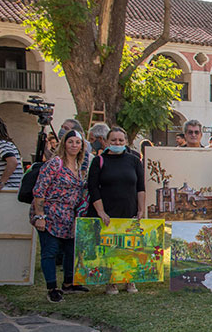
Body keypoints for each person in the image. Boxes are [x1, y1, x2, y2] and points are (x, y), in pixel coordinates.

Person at [86, 127, 146, 294]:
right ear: (107, 142)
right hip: (108, 212)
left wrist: (141, 209)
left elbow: (140, 187)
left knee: (129, 246)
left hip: (129, 210)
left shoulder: (134, 161)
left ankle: (129, 279)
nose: (117, 143)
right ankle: (111, 281)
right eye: (113, 140)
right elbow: (93, 187)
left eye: (120, 140)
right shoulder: (99, 161)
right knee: (110, 246)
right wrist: (101, 211)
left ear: (125, 142)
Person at [32, 129, 89, 302]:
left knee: (70, 250)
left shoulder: (79, 167)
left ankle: (69, 283)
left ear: (81, 146)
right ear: (64, 143)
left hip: (68, 215)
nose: (74, 145)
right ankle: (52, 288)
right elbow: (40, 189)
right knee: (50, 251)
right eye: (70, 141)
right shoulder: (55, 163)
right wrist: (40, 215)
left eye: (77, 142)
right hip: (50, 212)